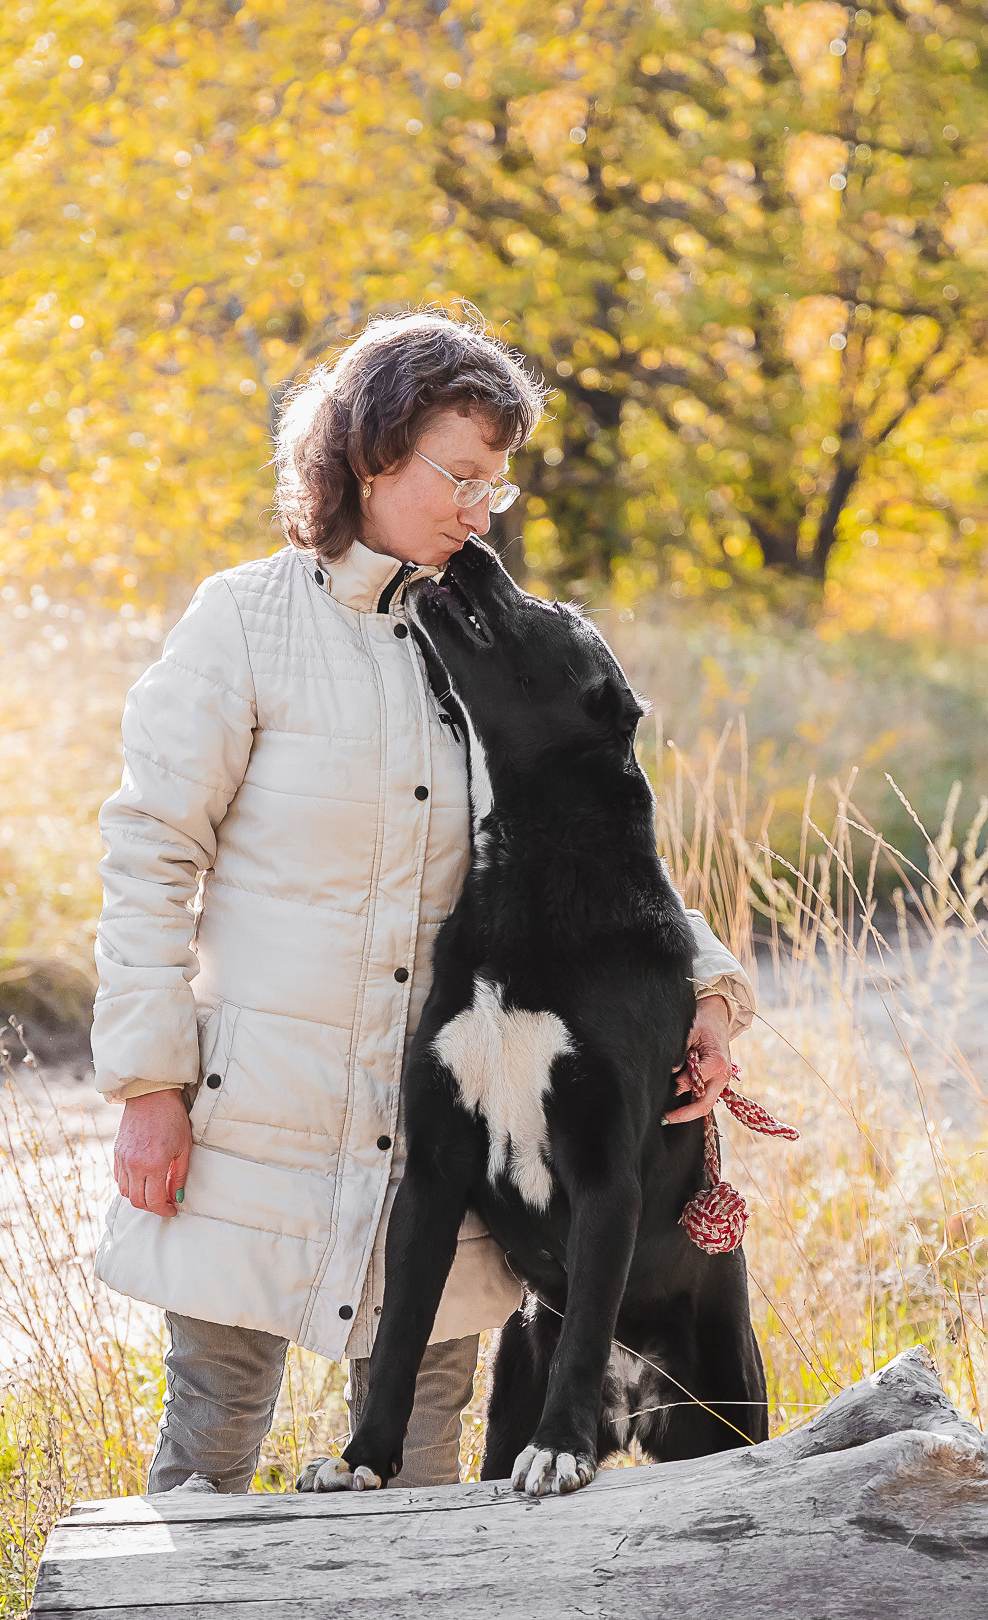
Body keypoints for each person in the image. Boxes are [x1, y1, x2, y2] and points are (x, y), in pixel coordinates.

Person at [91, 308, 756, 1494]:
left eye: (493, 488)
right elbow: (148, 853)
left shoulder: (479, 649)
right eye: (459, 475)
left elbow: (588, 837)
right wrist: (150, 1082)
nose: (475, 509)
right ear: (369, 453)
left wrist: (705, 982)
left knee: (421, 1472)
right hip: (262, 1122)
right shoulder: (246, 622)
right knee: (210, 1444)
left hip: (449, 1146)